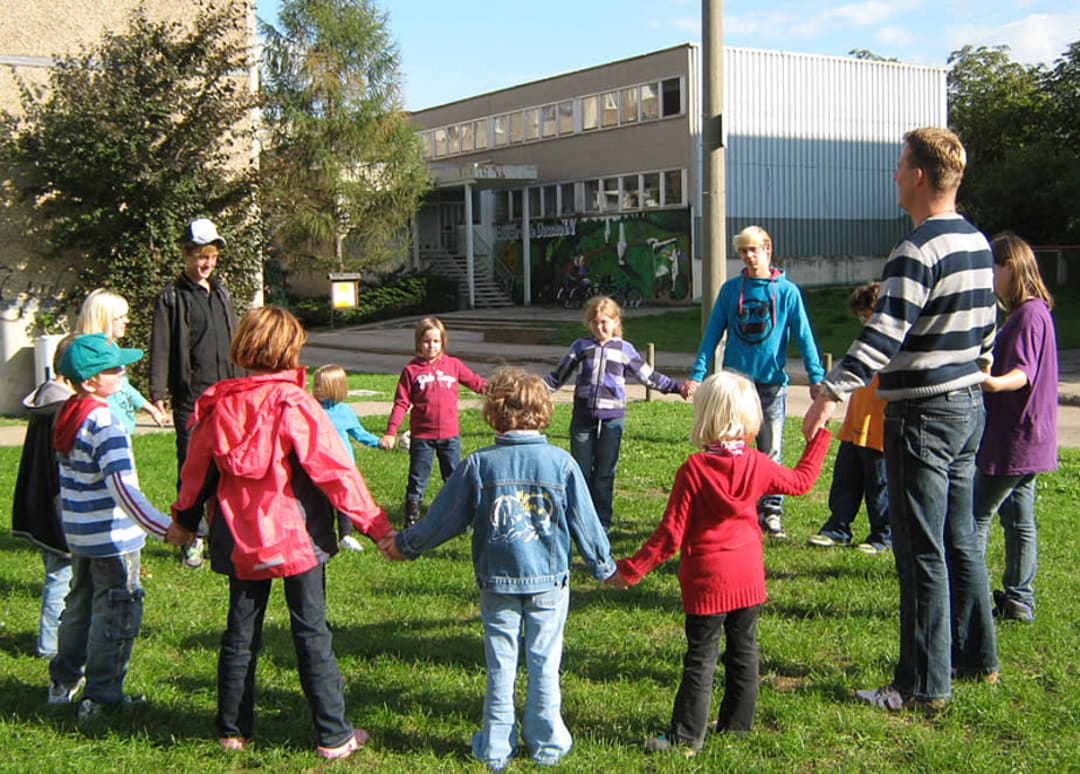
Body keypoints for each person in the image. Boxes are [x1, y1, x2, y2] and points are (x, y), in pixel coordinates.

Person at [802, 127, 999, 712]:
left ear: (918, 176)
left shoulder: (917, 250)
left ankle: (920, 687)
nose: (893, 174)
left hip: (922, 414)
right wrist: (971, 366)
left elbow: (882, 334)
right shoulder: (979, 242)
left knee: (919, 554)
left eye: (898, 165)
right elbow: (988, 330)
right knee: (961, 541)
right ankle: (977, 661)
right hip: (968, 409)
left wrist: (829, 391)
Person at [171, 306, 392, 759]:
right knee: (311, 631)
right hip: (298, 540)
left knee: (240, 632)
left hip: (239, 539)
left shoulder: (218, 405)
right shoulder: (296, 404)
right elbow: (336, 472)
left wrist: (183, 522)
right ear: (291, 351)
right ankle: (333, 735)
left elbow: (195, 474)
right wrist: (377, 527)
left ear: (244, 348)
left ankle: (232, 730)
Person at [380, 367, 616, 770]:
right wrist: (603, 565)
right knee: (545, 661)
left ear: (492, 413)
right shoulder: (560, 463)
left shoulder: (479, 465)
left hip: (497, 581)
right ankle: (547, 745)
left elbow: (443, 518)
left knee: (500, 662)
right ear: (542, 412)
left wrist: (406, 545)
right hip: (549, 582)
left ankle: (495, 747)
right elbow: (586, 522)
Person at [608, 371, 831, 756]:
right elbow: (801, 481)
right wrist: (819, 438)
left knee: (701, 659)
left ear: (705, 416)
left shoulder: (694, 470)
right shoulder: (758, 463)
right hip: (748, 578)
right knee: (744, 653)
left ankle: (685, 739)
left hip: (706, 583)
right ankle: (737, 726)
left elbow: (669, 536)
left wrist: (630, 570)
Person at [45, 333, 183, 720]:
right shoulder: (104, 421)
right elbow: (122, 487)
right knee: (117, 613)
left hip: (80, 536)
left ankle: (63, 681)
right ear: (90, 382)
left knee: (80, 607)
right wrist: (163, 528)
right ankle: (102, 697)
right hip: (113, 542)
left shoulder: (70, 412)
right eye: (112, 369)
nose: (122, 371)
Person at [683, 226, 824, 539]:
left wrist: (817, 378)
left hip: (772, 384)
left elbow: (804, 336)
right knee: (733, 449)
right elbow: (711, 335)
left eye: (753, 250)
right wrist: (697, 373)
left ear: (767, 248)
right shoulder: (731, 290)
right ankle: (739, 508)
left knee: (770, 451)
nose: (748, 257)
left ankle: (771, 513)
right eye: (742, 252)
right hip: (736, 386)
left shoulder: (787, 292)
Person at [973, 234, 1058, 623]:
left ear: (1010, 265)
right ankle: (1019, 599)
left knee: (974, 517)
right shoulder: (1036, 311)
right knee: (1018, 519)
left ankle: (965, 594)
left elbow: (1023, 375)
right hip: (1032, 439)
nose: (990, 274)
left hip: (1015, 438)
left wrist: (989, 382)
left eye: (993, 266)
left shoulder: (1026, 315)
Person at [543, 295, 683, 531]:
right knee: (581, 469)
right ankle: (579, 520)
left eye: (605, 322)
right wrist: (530, 390)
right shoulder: (581, 347)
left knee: (605, 472)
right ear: (589, 324)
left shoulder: (624, 349)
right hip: (583, 417)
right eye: (595, 322)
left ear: (615, 321)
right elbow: (557, 377)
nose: (600, 327)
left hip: (612, 418)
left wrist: (677, 387)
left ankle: (602, 522)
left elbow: (648, 376)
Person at [149, 217, 239, 569]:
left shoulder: (221, 292)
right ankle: (191, 536)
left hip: (226, 396)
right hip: (192, 400)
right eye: (201, 256)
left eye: (212, 256)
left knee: (227, 466)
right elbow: (161, 347)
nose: (207, 264)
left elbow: (235, 343)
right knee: (192, 469)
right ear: (186, 254)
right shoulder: (171, 298)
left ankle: (221, 533)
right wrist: (158, 391)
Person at [806, 282, 891, 554]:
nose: (864, 322)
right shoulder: (864, 346)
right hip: (855, 424)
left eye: (868, 315)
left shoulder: (892, 347)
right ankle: (837, 527)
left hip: (879, 430)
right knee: (845, 480)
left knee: (879, 485)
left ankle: (884, 534)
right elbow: (846, 374)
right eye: (861, 317)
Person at [379, 317, 486, 528]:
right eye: (427, 341)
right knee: (418, 480)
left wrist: (502, 389)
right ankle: (411, 521)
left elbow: (477, 383)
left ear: (443, 342)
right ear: (419, 342)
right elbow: (401, 403)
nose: (431, 346)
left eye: (436, 341)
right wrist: (391, 432)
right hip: (422, 437)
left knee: (454, 479)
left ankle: (461, 519)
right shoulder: (411, 370)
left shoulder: (453, 365)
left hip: (450, 436)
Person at [11, 334, 75, 659]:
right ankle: (49, 647)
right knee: (60, 578)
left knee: (59, 576)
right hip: (58, 512)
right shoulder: (60, 409)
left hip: (42, 509)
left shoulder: (46, 399)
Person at [75, 288, 171, 434]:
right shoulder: (90, 354)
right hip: (106, 429)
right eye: (119, 317)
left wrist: (152, 410)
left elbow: (124, 387)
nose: (126, 321)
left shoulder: (111, 348)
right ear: (103, 319)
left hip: (121, 429)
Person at [312, 363, 384, 552]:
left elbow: (360, 433)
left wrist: (379, 442)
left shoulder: (344, 412)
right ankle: (325, 534)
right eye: (316, 385)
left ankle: (346, 535)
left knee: (344, 502)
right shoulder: (311, 409)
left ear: (335, 388)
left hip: (344, 467)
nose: (316, 389)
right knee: (323, 501)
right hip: (320, 466)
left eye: (321, 385)